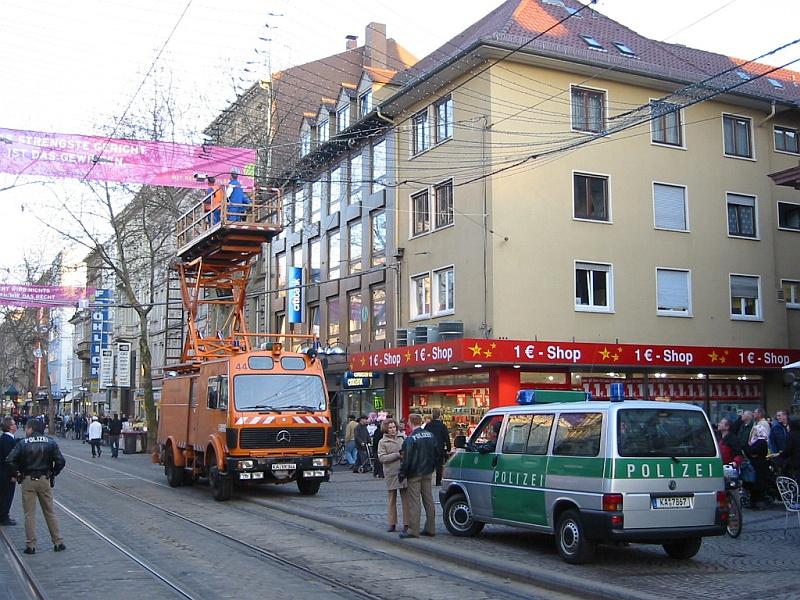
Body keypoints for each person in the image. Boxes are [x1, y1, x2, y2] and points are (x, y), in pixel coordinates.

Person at [5, 418, 66, 554]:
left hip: (28, 480)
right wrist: (53, 472)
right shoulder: (50, 442)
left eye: (27, 428)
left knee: (29, 514)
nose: (26, 430)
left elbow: (10, 460)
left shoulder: (23, 443)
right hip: (44, 479)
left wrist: (17, 473)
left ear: (31, 429)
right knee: (49, 511)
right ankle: (58, 542)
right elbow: (61, 461)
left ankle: (31, 545)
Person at [398, 413, 437, 539]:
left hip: (414, 473)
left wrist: (402, 474)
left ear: (410, 422)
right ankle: (430, 528)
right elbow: (437, 453)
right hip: (427, 472)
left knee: (414, 502)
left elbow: (407, 459)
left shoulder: (411, 438)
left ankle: (413, 529)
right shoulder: (431, 436)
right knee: (428, 500)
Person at [377, 418, 408, 533]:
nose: (392, 429)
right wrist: (397, 455)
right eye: (390, 428)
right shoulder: (382, 442)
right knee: (392, 499)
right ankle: (392, 523)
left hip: (404, 471)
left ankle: (407, 523)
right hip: (391, 472)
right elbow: (382, 458)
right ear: (386, 429)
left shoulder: (403, 437)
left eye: (394, 427)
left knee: (406, 499)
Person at [744, 416, 771, 510]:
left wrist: (749, 450)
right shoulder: (756, 441)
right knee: (754, 485)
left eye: (755, 431)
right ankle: (754, 502)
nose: (753, 432)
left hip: (759, 466)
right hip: (756, 465)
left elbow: (751, 451)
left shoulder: (761, 442)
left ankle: (758, 503)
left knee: (758, 485)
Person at [424, 408, 451, 486]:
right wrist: (448, 448)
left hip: (429, 448)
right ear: (440, 415)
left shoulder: (428, 425)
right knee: (439, 465)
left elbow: (425, 436)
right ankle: (438, 481)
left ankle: (427, 480)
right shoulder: (442, 426)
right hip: (439, 448)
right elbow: (446, 438)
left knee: (430, 464)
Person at [1, 417, 19, 526]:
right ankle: (3, 517)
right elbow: (10, 460)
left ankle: (4, 515)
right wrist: (13, 474)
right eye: (14, 424)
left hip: (4, 473)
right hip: (6, 474)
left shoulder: (6, 438)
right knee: (7, 495)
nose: (16, 425)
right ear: (10, 427)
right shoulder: (7, 440)